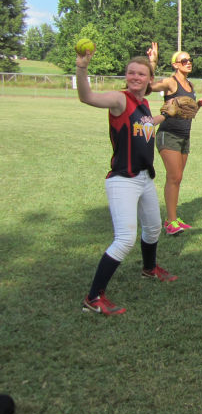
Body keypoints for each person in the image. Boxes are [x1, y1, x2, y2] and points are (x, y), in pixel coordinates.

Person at [77, 47, 177, 316]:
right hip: (123, 180)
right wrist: (82, 68)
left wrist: (167, 115)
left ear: (149, 79)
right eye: (131, 72)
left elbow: (146, 123)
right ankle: (93, 297)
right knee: (124, 239)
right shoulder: (120, 99)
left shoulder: (143, 104)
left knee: (153, 228)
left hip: (144, 178)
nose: (135, 77)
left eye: (141, 74)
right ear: (126, 76)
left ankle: (149, 269)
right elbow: (87, 97)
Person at [147, 43, 202, 235]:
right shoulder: (170, 82)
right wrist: (152, 62)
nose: (188, 62)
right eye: (184, 60)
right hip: (169, 134)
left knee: (177, 178)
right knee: (174, 177)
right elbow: (148, 87)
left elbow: (187, 113)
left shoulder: (190, 85)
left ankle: (172, 218)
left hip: (184, 135)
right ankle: (171, 222)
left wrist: (197, 106)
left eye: (190, 60)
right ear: (175, 65)